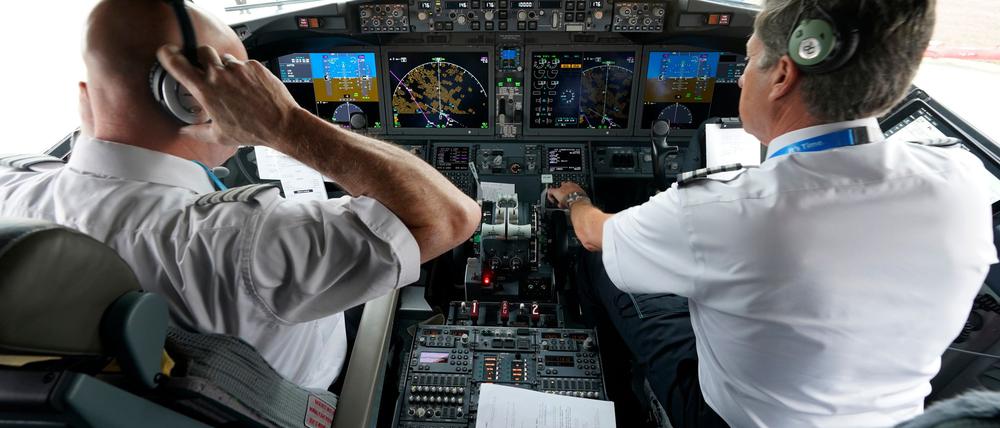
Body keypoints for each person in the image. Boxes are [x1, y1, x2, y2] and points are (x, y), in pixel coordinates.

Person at [548, 0, 997, 426]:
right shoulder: (962, 179)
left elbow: (592, 233)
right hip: (890, 420)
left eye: (748, 61)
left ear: (783, 75)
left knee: (602, 260)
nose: (741, 79)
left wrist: (575, 199)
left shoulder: (725, 207)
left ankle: (617, 383)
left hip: (726, 419)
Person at [0, 0, 480, 390]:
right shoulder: (242, 242)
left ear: (85, 93)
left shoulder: (13, 193)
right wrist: (282, 123)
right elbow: (449, 216)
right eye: (245, 84)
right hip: (306, 396)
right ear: (196, 101)